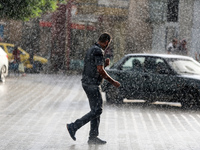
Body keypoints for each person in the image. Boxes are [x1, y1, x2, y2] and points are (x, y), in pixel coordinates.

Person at [66, 33, 121, 144]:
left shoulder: (92, 49)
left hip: (87, 82)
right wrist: (113, 82)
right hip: (92, 84)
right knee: (98, 110)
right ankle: (74, 126)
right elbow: (100, 70)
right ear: (106, 42)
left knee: (95, 110)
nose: (107, 45)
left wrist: (104, 64)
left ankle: (93, 137)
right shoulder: (98, 51)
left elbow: (96, 68)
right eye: (108, 43)